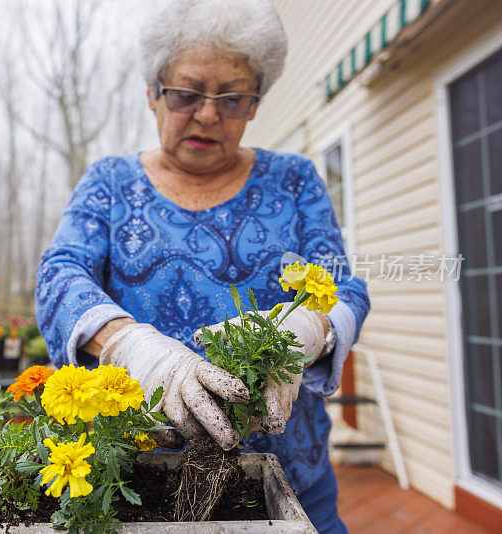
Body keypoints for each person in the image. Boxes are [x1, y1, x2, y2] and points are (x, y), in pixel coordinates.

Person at [35, 1, 369, 532]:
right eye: (187, 95)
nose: (209, 115)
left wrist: (312, 327)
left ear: (255, 103)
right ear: (153, 92)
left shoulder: (295, 180)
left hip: (293, 482)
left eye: (233, 98)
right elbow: (60, 275)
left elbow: (344, 285)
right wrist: (133, 350)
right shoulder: (111, 184)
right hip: (144, 485)